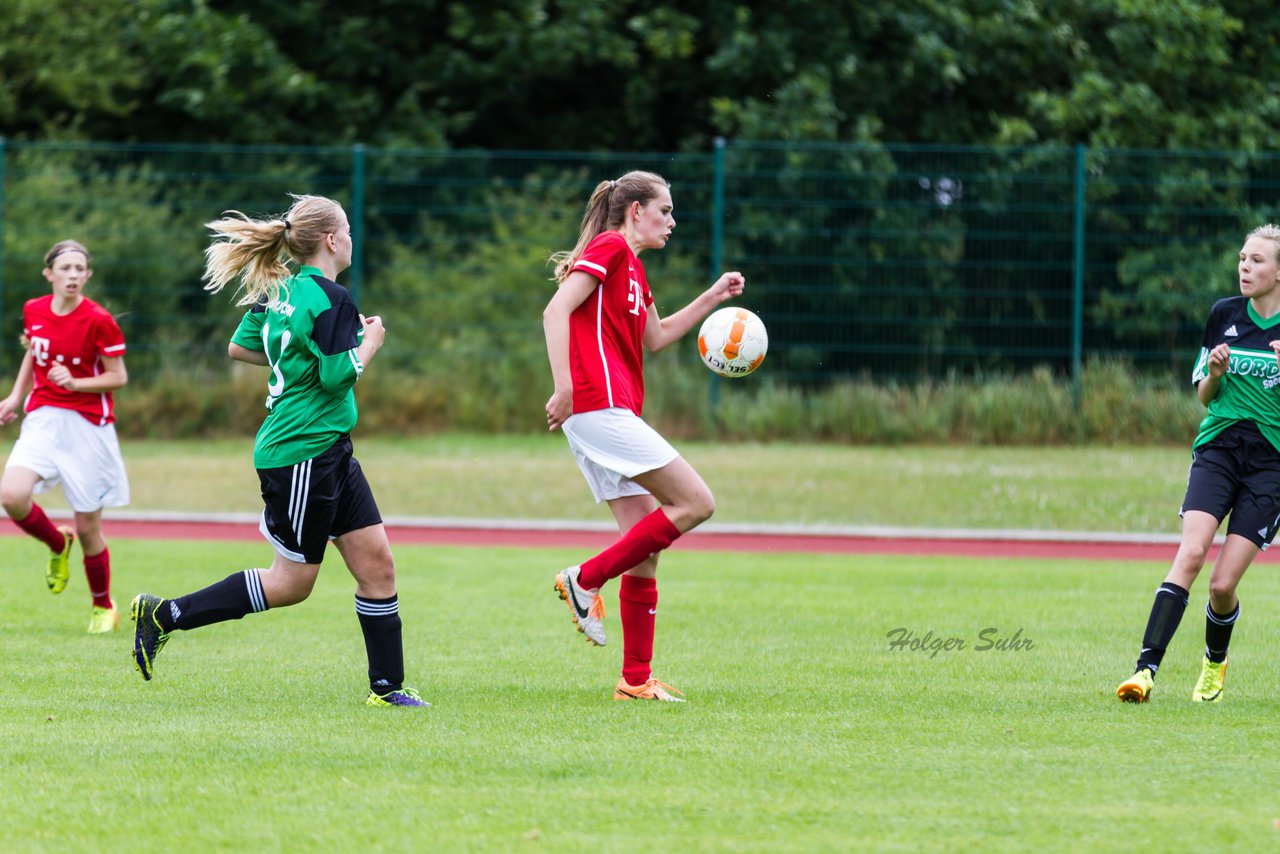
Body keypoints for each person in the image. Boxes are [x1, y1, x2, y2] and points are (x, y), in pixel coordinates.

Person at [129, 194, 427, 708]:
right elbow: (337, 377)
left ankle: (388, 689)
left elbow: (242, 346)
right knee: (292, 583)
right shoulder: (333, 299)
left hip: (328, 448)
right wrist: (371, 341)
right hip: (300, 454)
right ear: (332, 240)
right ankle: (165, 615)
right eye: (349, 230)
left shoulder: (282, 289)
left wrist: (291, 362)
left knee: (378, 564)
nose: (352, 238)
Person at [543, 170, 745, 702]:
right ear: (636, 211)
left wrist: (713, 296)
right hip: (597, 406)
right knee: (696, 501)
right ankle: (584, 578)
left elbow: (656, 338)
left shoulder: (632, 267)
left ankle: (635, 681)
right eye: (665, 211)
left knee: (645, 549)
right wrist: (564, 387)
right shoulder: (610, 247)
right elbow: (556, 309)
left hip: (607, 412)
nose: (672, 222)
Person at [1117, 223, 1280, 704]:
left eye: (1256, 261)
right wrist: (1212, 374)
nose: (1244, 268)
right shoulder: (1224, 315)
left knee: (1222, 584)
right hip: (1219, 450)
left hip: (1270, 466)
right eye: (1242, 259)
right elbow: (1206, 399)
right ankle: (1144, 672)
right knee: (1190, 553)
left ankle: (1214, 663)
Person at [0, 240, 129, 634]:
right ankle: (58, 544)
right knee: (11, 495)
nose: (73, 275)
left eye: (80, 269)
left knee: (89, 527)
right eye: (66, 268)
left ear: (87, 275)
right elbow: (31, 351)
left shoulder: (99, 320)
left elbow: (118, 377)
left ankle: (102, 605)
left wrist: (76, 382)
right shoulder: (34, 310)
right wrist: (15, 396)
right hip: (42, 420)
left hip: (88, 427)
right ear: (49, 274)